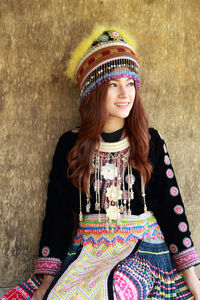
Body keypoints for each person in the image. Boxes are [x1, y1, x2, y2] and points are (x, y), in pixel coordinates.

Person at [2, 27, 200, 300]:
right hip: (87, 253)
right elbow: (57, 216)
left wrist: (192, 278)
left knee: (116, 292)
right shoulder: (70, 145)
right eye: (113, 84)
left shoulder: (148, 140)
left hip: (143, 252)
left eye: (130, 83)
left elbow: (170, 207)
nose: (125, 94)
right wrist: (47, 283)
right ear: (93, 90)